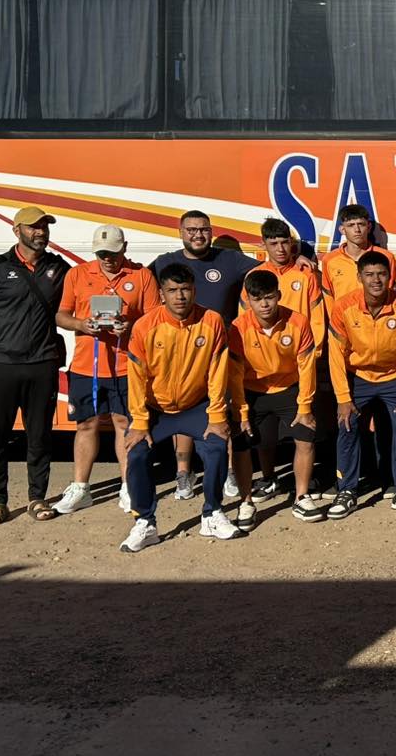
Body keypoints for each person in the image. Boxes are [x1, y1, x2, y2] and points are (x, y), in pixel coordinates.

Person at [0, 205, 70, 526]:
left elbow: (84, 296)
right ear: (16, 230)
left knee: (40, 436)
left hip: (42, 365)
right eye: (34, 227)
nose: (41, 232)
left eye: (45, 227)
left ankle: (37, 498)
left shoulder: (58, 268)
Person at [120, 263, 236, 551]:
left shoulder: (212, 321)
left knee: (217, 446)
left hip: (196, 406)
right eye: (172, 290)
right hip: (156, 409)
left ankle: (212, 513)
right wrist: (139, 422)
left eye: (185, 289)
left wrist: (218, 415)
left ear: (194, 290)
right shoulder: (145, 326)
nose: (180, 296)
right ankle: (144, 522)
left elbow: (218, 371)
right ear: (162, 294)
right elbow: (136, 378)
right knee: (135, 453)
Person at [150, 209, 260, 499]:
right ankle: (184, 474)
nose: (198, 235)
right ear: (181, 232)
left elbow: (264, 272)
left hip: (218, 351)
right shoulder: (165, 262)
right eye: (192, 230)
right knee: (182, 409)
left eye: (204, 229)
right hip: (179, 350)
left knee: (221, 411)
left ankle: (228, 472)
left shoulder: (229, 259)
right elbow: (141, 283)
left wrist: (299, 255)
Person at [53, 225, 159, 517]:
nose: (108, 259)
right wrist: (81, 324)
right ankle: (80, 487)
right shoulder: (77, 274)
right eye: (101, 254)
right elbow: (61, 315)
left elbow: (154, 319)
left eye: (113, 253)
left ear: (125, 247)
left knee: (123, 423)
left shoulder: (141, 276)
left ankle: (128, 485)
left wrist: (131, 326)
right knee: (86, 424)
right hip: (87, 365)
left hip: (126, 366)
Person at [329, 252, 396, 518]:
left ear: (390, 277)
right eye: (369, 275)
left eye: (381, 274)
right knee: (347, 426)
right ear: (359, 277)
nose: (376, 280)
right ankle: (346, 490)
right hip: (358, 376)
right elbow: (335, 354)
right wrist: (343, 398)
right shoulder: (343, 307)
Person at [227, 270, 319, 528]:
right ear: (248, 300)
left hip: (289, 388)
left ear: (279, 295)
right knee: (245, 443)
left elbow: (306, 366)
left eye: (269, 297)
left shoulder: (298, 322)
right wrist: (241, 413)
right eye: (258, 299)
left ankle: (301, 497)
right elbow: (233, 376)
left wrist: (305, 406)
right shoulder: (238, 328)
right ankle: (246, 502)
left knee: (305, 435)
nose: (265, 305)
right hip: (252, 391)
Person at [241, 218, 326, 497]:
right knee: (263, 438)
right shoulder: (253, 278)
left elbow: (316, 319)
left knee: (307, 430)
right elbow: (244, 322)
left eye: (284, 242)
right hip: (261, 375)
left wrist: (314, 353)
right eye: (273, 243)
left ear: (292, 244)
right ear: (263, 245)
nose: (280, 248)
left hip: (299, 367)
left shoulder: (305, 275)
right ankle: (268, 478)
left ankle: (306, 484)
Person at [320, 203, 396, 315]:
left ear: (369, 227)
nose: (357, 230)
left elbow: (388, 292)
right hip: (343, 322)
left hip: (375, 322)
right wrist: (335, 322)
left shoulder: (386, 257)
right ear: (342, 229)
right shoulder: (330, 260)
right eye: (351, 225)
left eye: (361, 224)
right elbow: (328, 297)